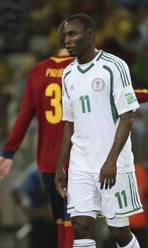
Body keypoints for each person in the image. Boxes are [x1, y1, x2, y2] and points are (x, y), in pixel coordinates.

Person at [55, 14, 142, 248]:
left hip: (113, 162)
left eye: (73, 34)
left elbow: (128, 115)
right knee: (81, 226)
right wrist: (61, 165)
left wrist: (111, 161)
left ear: (91, 34)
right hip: (81, 163)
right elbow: (69, 122)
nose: (67, 40)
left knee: (118, 231)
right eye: (65, 35)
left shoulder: (114, 66)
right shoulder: (68, 75)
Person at [0, 46, 74, 248]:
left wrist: (8, 152)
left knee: (63, 220)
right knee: (77, 223)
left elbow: (23, 118)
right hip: (74, 159)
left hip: (48, 160)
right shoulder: (81, 69)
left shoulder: (38, 73)